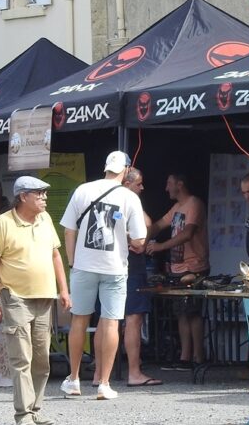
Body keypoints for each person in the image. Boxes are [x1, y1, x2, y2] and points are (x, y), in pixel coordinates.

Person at [59, 151, 147, 400]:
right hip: (115, 267)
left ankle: (74, 379)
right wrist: (126, 236)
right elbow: (140, 239)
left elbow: (68, 230)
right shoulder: (129, 197)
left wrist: (73, 261)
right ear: (126, 169)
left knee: (79, 321)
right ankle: (104, 384)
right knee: (111, 322)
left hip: (83, 266)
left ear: (106, 167)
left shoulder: (82, 190)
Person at [0, 176, 71, 425]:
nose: (45, 198)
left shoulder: (44, 220)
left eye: (45, 193)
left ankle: (36, 408)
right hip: (16, 297)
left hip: (44, 297)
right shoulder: (4, 222)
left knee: (42, 358)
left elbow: (56, 254)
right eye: (39, 194)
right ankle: (23, 413)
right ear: (23, 197)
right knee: (21, 356)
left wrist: (63, 290)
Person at [146, 173, 209, 369]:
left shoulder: (194, 203)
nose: (166, 188)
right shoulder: (177, 207)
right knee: (181, 312)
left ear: (180, 184)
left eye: (169, 183)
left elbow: (188, 233)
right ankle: (184, 357)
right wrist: (142, 234)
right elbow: (158, 225)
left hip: (194, 266)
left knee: (193, 312)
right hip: (177, 267)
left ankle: (198, 357)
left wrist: (160, 246)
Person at [120, 167, 161, 388]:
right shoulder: (129, 200)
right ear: (127, 184)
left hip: (107, 266)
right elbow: (147, 223)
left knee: (107, 321)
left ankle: (99, 373)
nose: (142, 188)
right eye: (139, 184)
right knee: (133, 320)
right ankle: (134, 372)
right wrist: (140, 243)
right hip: (131, 267)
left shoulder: (103, 198)